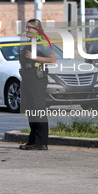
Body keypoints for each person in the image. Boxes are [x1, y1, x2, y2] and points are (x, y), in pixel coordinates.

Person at [19, 19, 56, 150]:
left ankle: (41, 142)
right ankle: (33, 140)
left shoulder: (41, 43)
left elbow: (52, 59)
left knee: (38, 108)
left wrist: (35, 58)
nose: (26, 29)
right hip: (27, 77)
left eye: (29, 27)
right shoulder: (30, 42)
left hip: (37, 78)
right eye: (26, 27)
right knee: (31, 109)